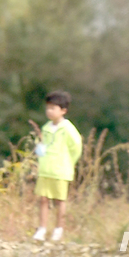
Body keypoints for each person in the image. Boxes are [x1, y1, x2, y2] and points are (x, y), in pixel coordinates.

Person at [32, 90, 82, 242]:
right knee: (43, 199)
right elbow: (45, 144)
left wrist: (68, 162)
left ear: (63, 111)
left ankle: (58, 229)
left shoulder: (67, 128)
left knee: (60, 200)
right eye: (48, 108)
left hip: (61, 170)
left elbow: (76, 147)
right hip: (46, 169)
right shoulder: (47, 127)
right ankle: (42, 229)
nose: (49, 111)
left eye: (53, 108)